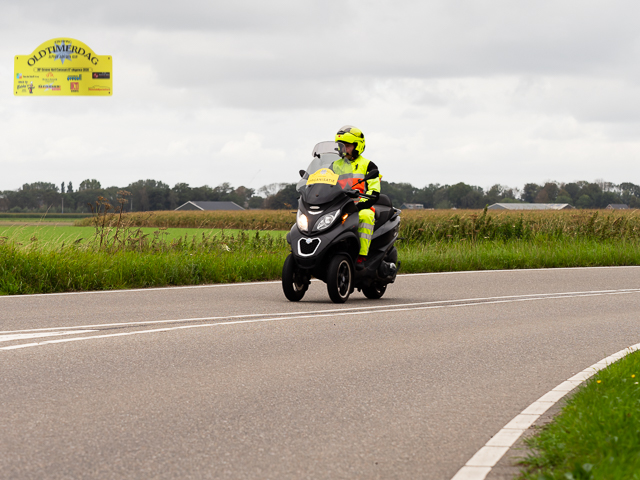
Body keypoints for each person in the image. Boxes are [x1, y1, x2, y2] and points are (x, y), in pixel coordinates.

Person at [332, 125, 381, 268]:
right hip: (338, 205)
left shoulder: (368, 165)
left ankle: (362, 256)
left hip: (360, 206)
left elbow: (374, 192)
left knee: (366, 216)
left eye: (347, 146)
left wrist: (358, 205)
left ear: (357, 146)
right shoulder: (334, 165)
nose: (344, 149)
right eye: (341, 146)